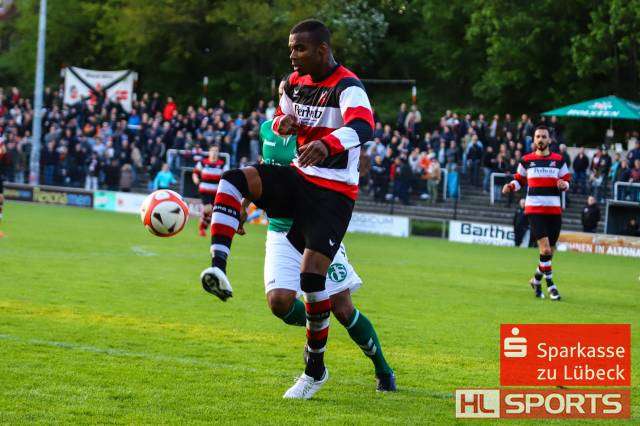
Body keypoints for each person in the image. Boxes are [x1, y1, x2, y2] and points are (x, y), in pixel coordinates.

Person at [200, 20, 375, 399]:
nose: (292, 55)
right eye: (291, 48)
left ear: (322, 51)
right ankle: (218, 266)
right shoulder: (294, 83)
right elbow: (280, 119)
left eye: (299, 48)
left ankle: (315, 370)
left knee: (312, 281)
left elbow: (364, 126)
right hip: (300, 178)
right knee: (233, 179)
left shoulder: (348, 86)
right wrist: (284, 122)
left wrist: (328, 144)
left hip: (334, 195)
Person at [243, 110, 394, 395]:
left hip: (316, 228)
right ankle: (317, 324)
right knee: (279, 302)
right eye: (285, 92)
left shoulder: (320, 132)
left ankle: (384, 370)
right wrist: (243, 203)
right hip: (279, 230)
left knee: (343, 309)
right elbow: (264, 169)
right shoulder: (266, 129)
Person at [503, 125, 571, 300]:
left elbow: (566, 180)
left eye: (544, 136)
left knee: (549, 253)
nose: (540, 139)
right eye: (538, 136)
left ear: (549, 140)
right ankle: (551, 287)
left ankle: (536, 279)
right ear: (534, 139)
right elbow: (519, 180)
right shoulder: (526, 160)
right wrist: (510, 186)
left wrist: (564, 185)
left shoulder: (559, 160)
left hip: (554, 210)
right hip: (534, 210)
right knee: (545, 249)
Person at [192, 146, 226, 237]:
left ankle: (203, 227)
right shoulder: (203, 162)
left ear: (218, 153)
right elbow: (195, 172)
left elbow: (226, 176)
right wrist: (195, 179)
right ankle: (202, 227)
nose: (214, 153)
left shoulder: (222, 164)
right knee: (208, 208)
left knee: (212, 212)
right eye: (212, 151)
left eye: (216, 151)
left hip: (216, 191)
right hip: (204, 190)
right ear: (209, 152)